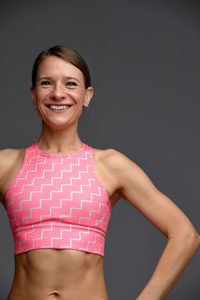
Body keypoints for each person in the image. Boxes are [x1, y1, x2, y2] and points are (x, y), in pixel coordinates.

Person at [0, 45, 199, 300]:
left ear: (87, 96)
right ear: (33, 94)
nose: (58, 93)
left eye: (71, 84)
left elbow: (185, 235)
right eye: (46, 83)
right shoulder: (6, 164)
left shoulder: (109, 165)